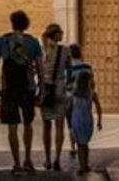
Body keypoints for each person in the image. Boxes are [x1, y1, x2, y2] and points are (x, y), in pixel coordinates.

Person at [0, 9, 43, 174]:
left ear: (12, 23)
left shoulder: (2, 41)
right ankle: (28, 158)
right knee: (28, 124)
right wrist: (40, 88)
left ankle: (17, 163)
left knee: (12, 127)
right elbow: (40, 68)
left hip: (9, 88)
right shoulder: (33, 42)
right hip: (27, 88)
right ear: (26, 24)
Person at [38, 23, 73, 171]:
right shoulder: (65, 51)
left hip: (46, 88)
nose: (63, 34)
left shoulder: (43, 51)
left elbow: (38, 68)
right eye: (61, 32)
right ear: (56, 34)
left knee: (47, 126)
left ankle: (47, 159)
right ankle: (57, 158)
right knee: (59, 126)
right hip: (60, 88)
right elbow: (70, 71)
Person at [66, 44, 103, 175]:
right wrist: (99, 121)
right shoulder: (87, 68)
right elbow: (98, 106)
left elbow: (67, 88)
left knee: (80, 143)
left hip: (76, 117)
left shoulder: (69, 70)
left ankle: (81, 164)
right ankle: (84, 164)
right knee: (85, 143)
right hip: (88, 118)